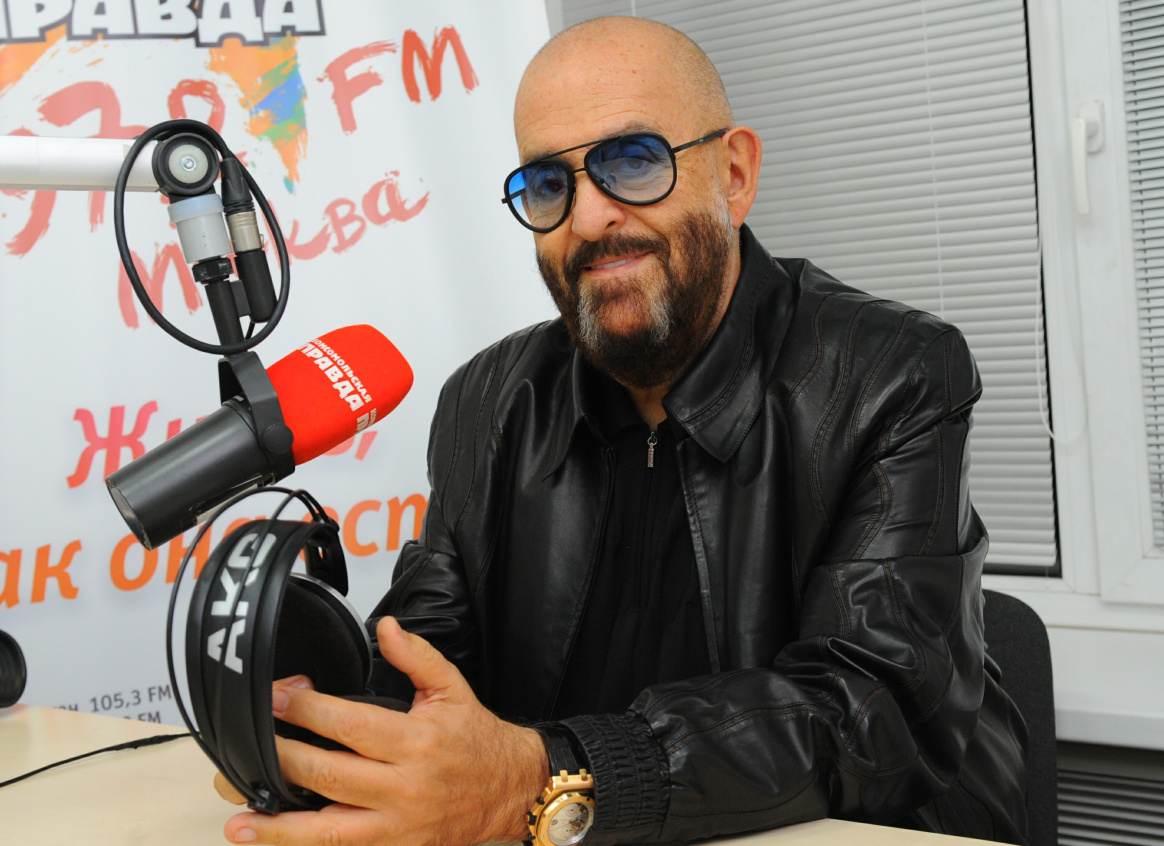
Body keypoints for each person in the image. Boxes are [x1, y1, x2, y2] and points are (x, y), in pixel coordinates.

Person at [218, 15, 1029, 846]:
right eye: (548, 183)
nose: (589, 217)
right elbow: (427, 652)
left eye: (633, 161)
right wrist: (334, 728)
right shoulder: (487, 399)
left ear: (735, 174)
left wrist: (547, 777)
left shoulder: (892, 371)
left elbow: (865, 709)